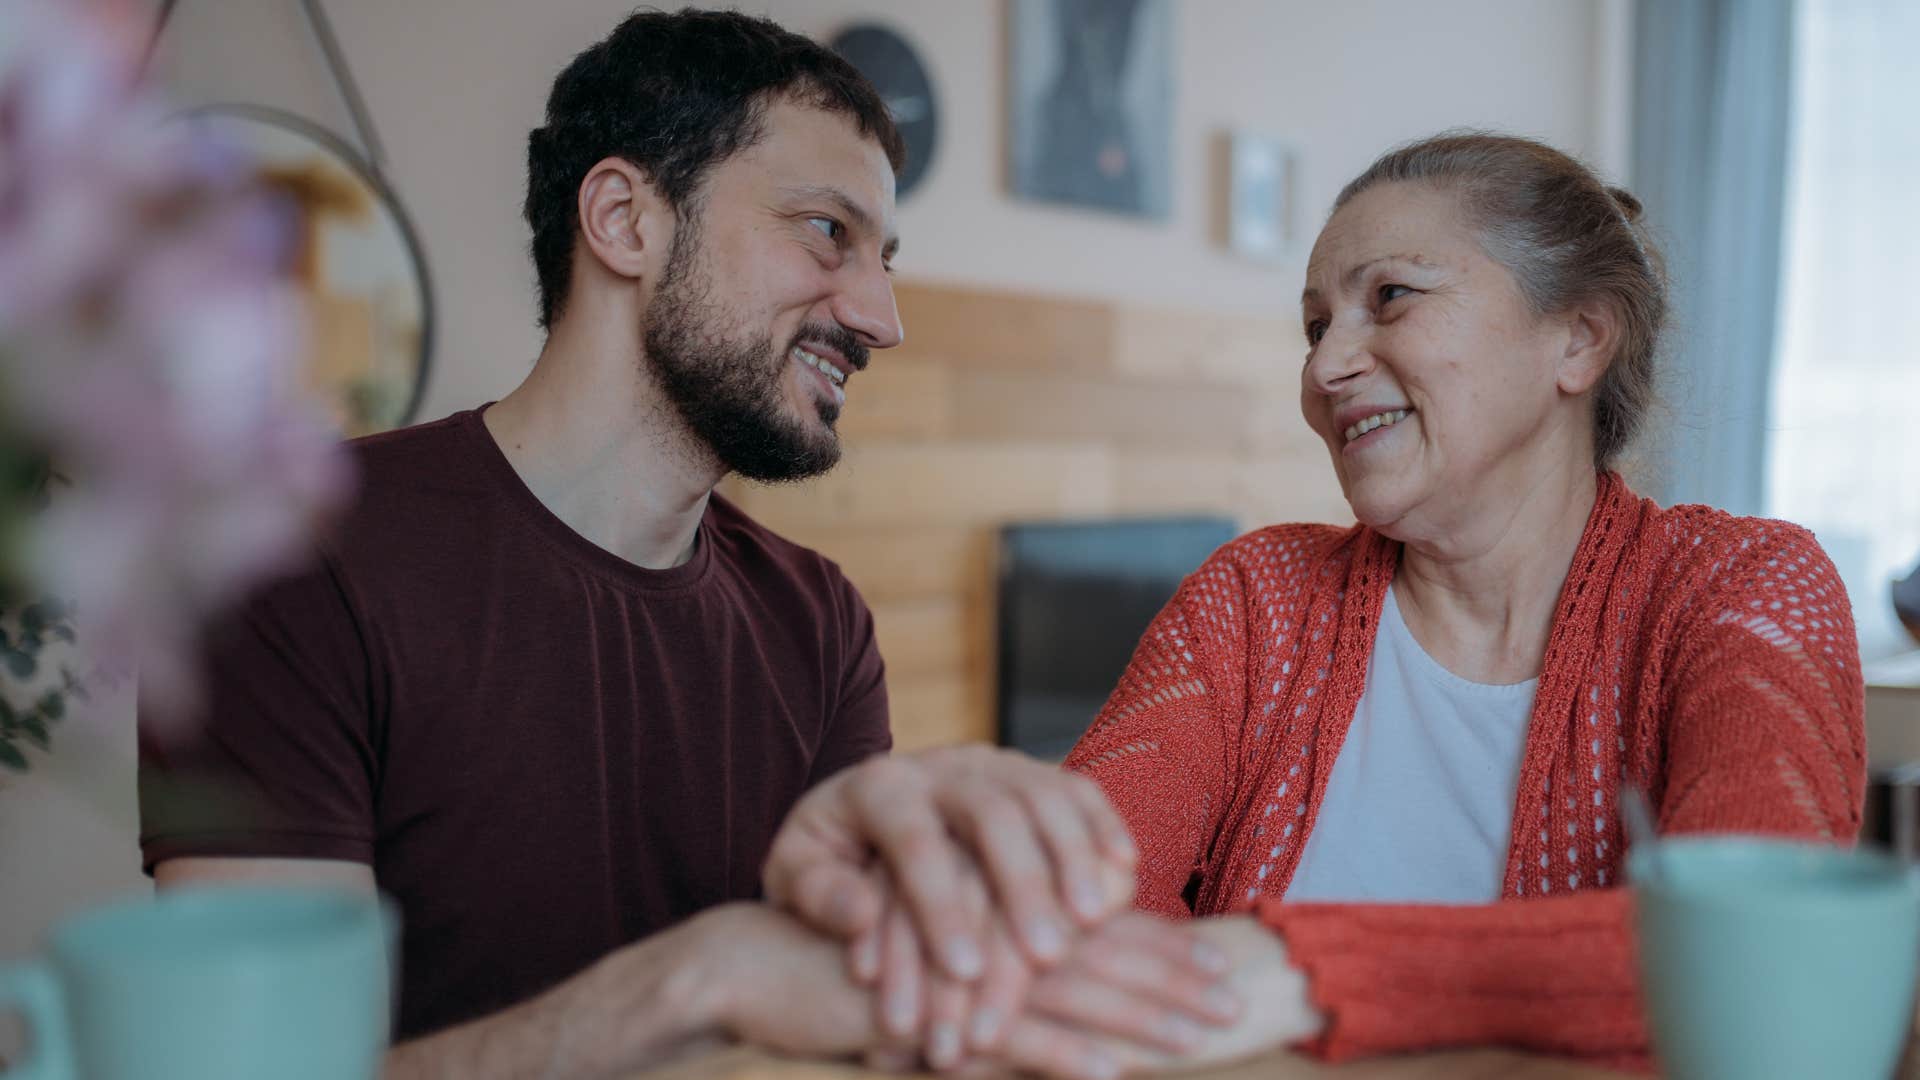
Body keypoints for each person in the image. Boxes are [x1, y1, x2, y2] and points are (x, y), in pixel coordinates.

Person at [137, 9, 1235, 1079]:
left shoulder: (822, 623)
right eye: (829, 232)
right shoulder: (288, 558)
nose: (882, 318)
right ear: (624, 221)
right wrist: (695, 982)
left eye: (885, 259)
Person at [1027, 132, 1864, 1071]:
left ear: (1579, 338)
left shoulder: (1743, 587)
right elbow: (1060, 908)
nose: (1325, 368)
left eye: (1391, 297)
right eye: (1315, 327)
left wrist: (1300, 971)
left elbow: (1751, 958)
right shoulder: (1253, 601)